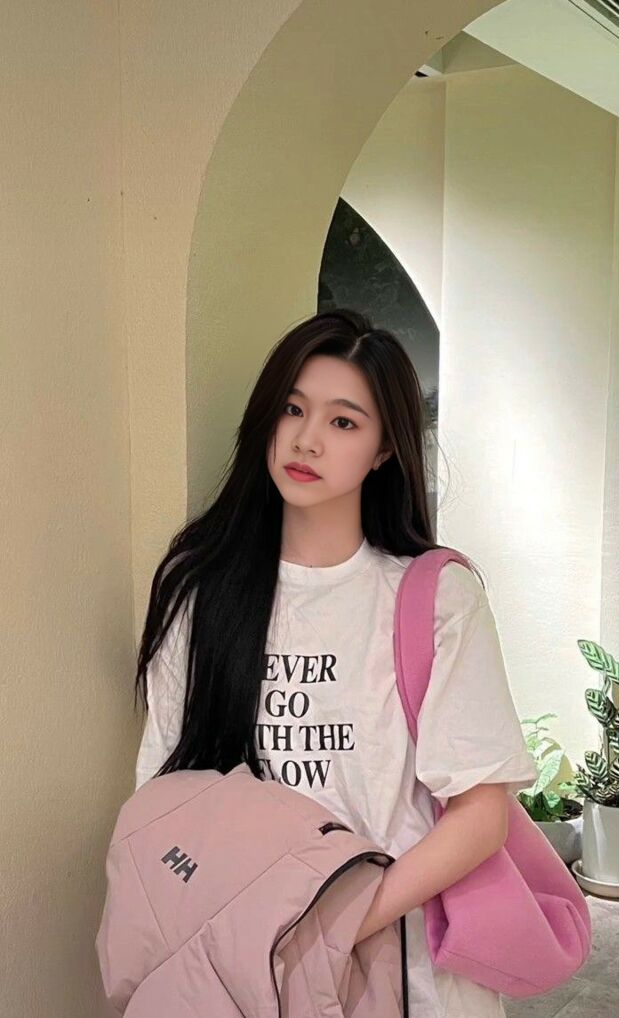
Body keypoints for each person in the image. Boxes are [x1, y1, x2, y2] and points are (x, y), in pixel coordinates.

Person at [133, 308, 538, 1017]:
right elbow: (164, 794)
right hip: (243, 966)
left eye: (344, 421)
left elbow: (481, 814)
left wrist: (334, 927)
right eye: (293, 409)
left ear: (384, 451)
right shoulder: (200, 588)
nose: (307, 438)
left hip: (401, 969)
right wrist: (249, 936)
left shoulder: (435, 596)